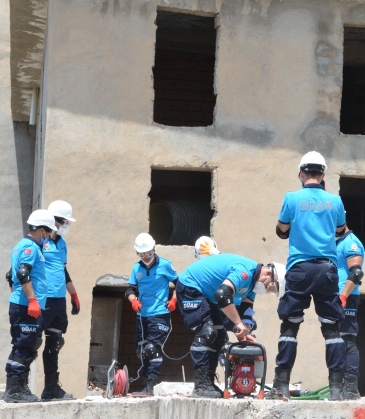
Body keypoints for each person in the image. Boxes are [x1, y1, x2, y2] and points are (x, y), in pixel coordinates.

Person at [269, 151, 348, 400]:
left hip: (299, 269)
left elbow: (281, 230)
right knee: (332, 330)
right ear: (323, 174)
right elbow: (341, 230)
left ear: (301, 173)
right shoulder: (335, 201)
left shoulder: (291, 198)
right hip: (327, 270)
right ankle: (336, 388)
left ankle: (281, 385)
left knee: (289, 328)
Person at [176, 253, 285, 398]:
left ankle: (208, 382)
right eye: (271, 287)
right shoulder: (244, 271)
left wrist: (246, 332)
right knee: (206, 332)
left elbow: (246, 310)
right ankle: (200, 386)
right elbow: (222, 294)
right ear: (268, 273)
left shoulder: (252, 286)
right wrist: (238, 324)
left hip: (208, 296)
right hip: (191, 286)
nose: (267, 291)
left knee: (220, 336)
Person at [2, 209, 56, 403]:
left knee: (21, 345)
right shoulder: (31, 248)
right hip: (27, 306)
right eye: (48, 233)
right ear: (41, 230)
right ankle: (16, 391)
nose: (48, 238)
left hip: (21, 304)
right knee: (27, 345)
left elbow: (10, 275)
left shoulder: (19, 247)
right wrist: (31, 301)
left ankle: (13, 388)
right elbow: (22, 274)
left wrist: (17, 300)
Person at [125, 233, 179, 396]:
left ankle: (151, 385)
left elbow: (179, 285)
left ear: (153, 250)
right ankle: (145, 384)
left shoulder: (165, 265)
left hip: (160, 314)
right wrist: (133, 300)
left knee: (152, 349)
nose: (145, 257)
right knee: (141, 350)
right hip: (142, 315)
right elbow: (130, 289)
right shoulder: (137, 268)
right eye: (141, 254)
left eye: (148, 253)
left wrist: (174, 300)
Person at [37, 200, 79, 400]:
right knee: (31, 341)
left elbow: (63, 270)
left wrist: (73, 294)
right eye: (65, 222)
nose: (66, 226)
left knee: (54, 343)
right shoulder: (40, 240)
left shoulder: (61, 243)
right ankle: (19, 386)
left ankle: (51, 388)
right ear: (55, 221)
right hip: (43, 299)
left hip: (59, 300)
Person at [336, 227, 365, 399]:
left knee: (347, 341)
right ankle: (337, 386)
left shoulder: (351, 243)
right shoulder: (339, 242)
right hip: (335, 297)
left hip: (345, 297)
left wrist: (343, 296)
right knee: (336, 342)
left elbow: (356, 272)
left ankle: (352, 388)